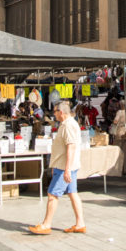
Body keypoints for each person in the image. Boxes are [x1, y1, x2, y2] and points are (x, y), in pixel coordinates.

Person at [29, 101, 85, 235]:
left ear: (61, 112)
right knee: (72, 193)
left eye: (54, 111)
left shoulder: (68, 125)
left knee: (52, 194)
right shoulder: (68, 124)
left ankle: (46, 224)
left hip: (65, 166)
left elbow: (70, 146)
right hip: (66, 165)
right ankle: (80, 223)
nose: (53, 114)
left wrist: (66, 169)